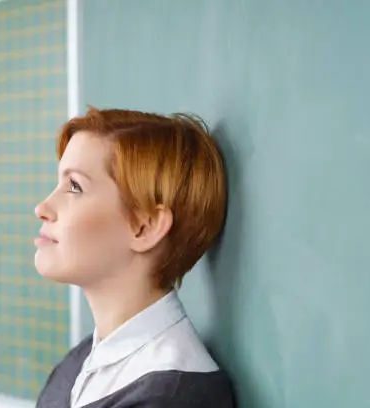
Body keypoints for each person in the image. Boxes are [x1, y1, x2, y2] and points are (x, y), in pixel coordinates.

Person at [33, 107, 234, 408]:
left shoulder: (175, 397)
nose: (42, 207)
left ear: (145, 226)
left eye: (74, 186)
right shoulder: (78, 364)